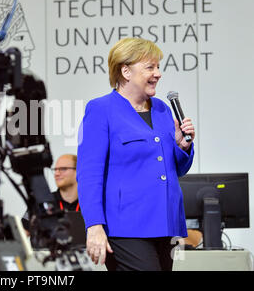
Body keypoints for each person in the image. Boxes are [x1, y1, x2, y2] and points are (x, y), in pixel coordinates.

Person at [77, 37, 195, 271]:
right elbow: (89, 174)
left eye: (158, 67)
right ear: (125, 71)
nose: (158, 73)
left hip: (166, 224)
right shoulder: (101, 109)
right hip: (125, 227)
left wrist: (182, 147)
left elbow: (174, 169)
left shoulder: (161, 109)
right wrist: (94, 225)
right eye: (150, 67)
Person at [21, 154, 81, 231]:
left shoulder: (92, 203)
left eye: (63, 169)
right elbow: (24, 231)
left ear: (78, 171)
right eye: (55, 169)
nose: (57, 174)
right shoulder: (42, 201)